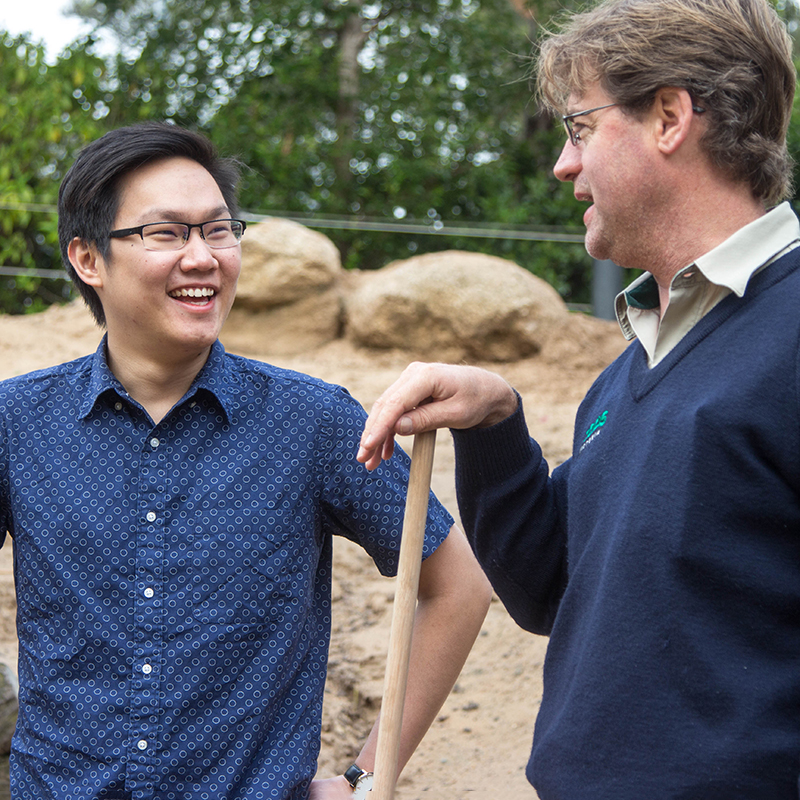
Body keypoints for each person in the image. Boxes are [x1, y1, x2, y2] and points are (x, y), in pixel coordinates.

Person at [358, 0, 800, 797]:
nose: (564, 165)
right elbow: (547, 592)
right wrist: (495, 424)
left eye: (581, 127)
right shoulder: (626, 369)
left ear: (669, 117)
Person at [0, 122, 491, 800]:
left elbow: (457, 586)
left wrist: (366, 777)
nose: (203, 258)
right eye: (166, 233)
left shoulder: (315, 422)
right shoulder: (14, 421)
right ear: (88, 258)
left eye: (219, 230)